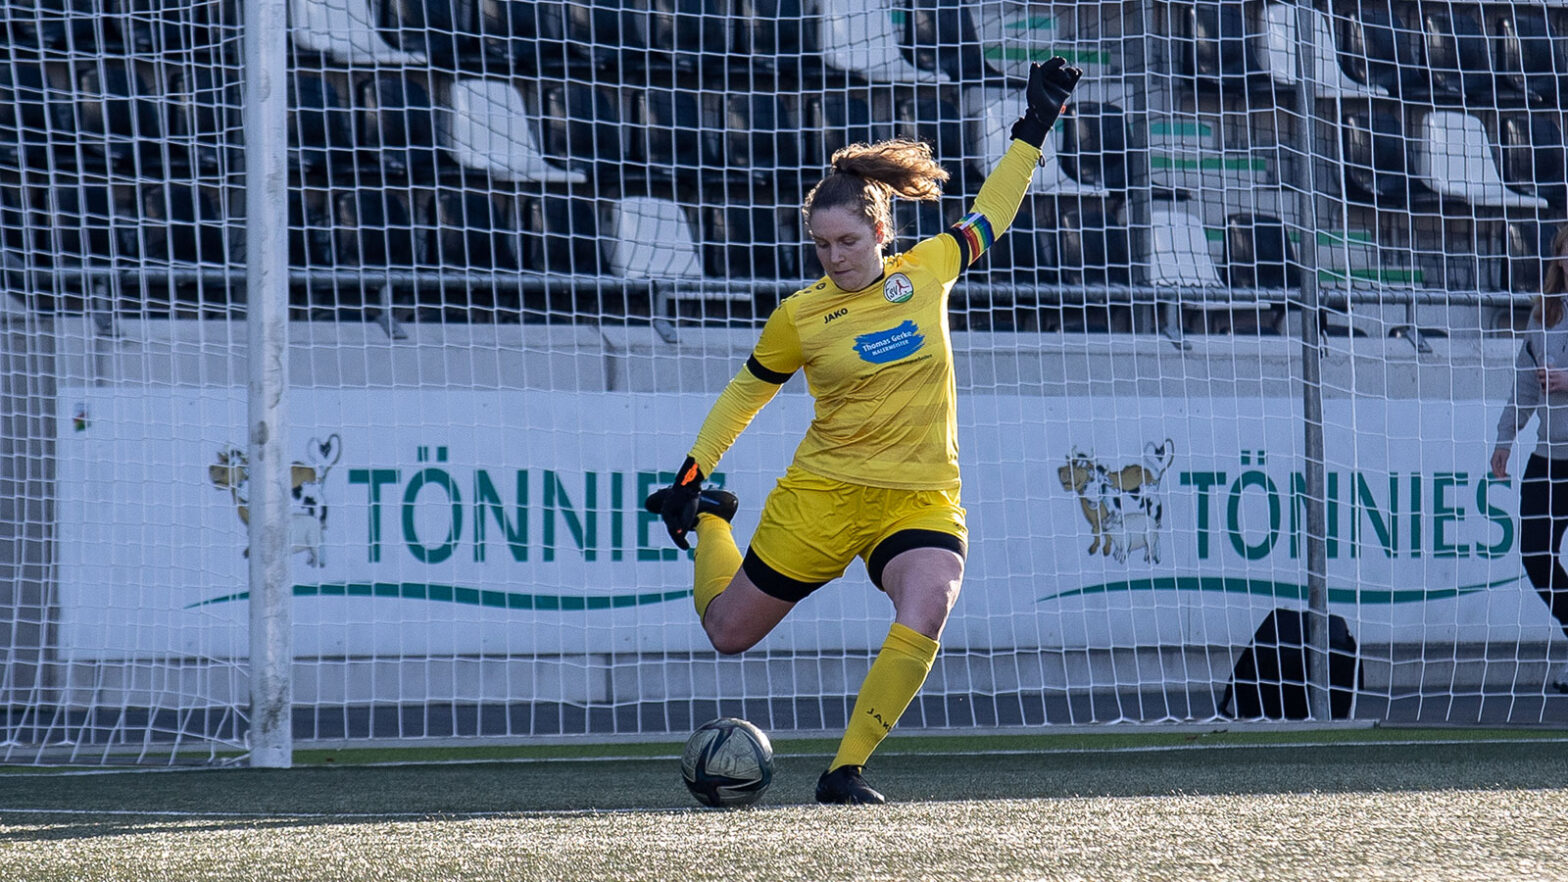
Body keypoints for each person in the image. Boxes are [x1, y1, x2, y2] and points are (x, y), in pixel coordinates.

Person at [646, 57, 1083, 804]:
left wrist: (1033, 128)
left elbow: (995, 209)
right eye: (821, 245)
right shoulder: (801, 315)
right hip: (824, 494)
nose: (835, 257)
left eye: (847, 241)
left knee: (931, 599)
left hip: (918, 500)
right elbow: (744, 395)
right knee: (727, 634)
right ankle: (717, 521)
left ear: (880, 230)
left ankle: (845, 770)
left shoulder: (930, 270)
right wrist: (694, 472)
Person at [1492, 223, 1568, 694]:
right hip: (1548, 457)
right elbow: (1524, 382)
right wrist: (1505, 439)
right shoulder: (1545, 314)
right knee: (1536, 553)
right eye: (1564, 252)